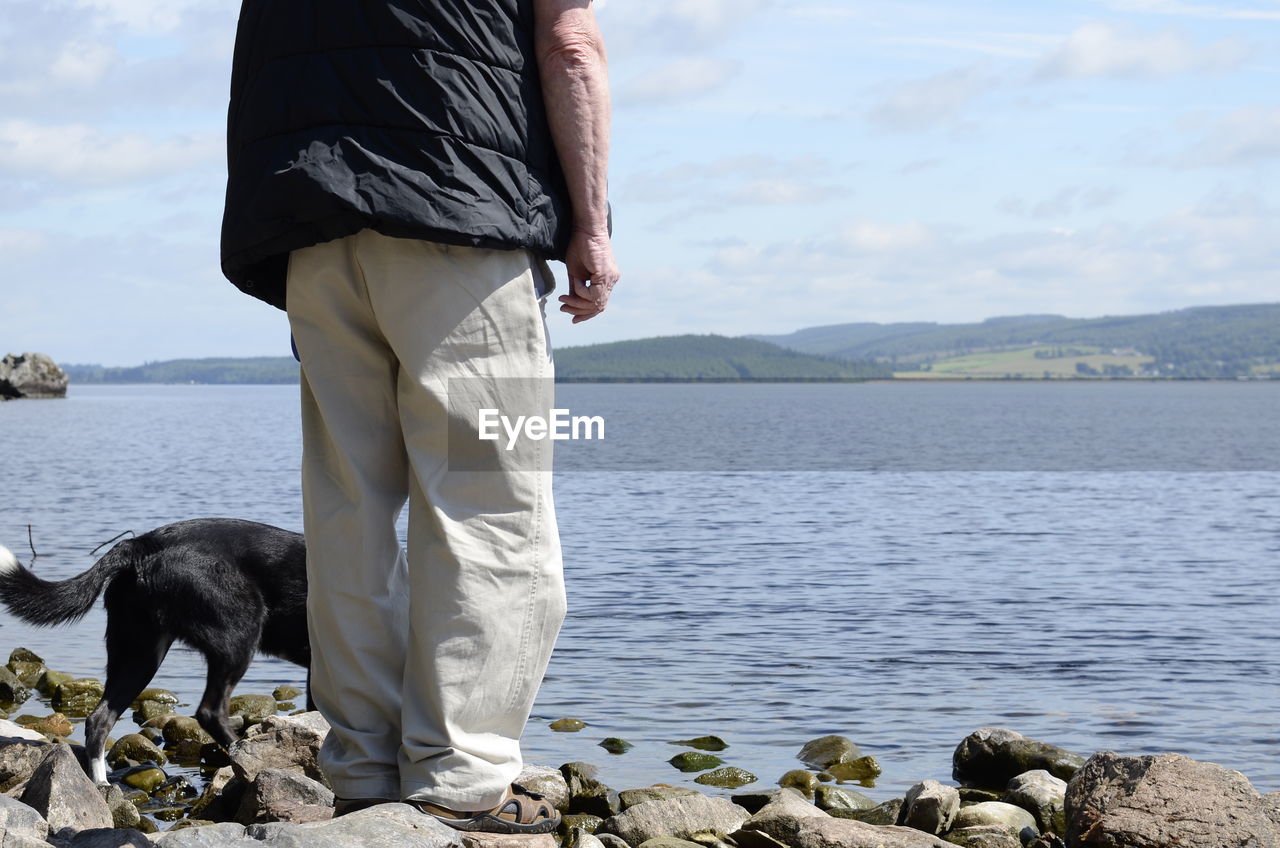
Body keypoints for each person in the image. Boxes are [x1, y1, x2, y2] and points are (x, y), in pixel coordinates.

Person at [219, 0, 618, 835]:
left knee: (347, 507)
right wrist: (590, 224)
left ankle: (364, 764)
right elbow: (571, 45)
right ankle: (464, 772)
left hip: (311, 221)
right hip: (460, 221)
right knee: (491, 506)